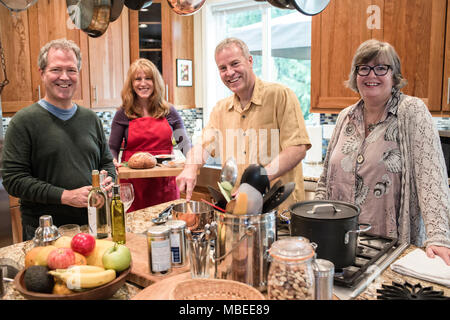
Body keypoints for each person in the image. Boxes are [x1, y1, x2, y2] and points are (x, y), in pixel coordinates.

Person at [315, 39, 450, 265]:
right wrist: (313, 219)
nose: (371, 75)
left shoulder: (412, 111)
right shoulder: (345, 116)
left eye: (381, 68)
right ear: (355, 75)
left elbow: (432, 178)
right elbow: (325, 177)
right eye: (364, 68)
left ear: (394, 75)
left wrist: (439, 236)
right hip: (340, 243)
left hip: (390, 247)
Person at [176, 38, 311, 209]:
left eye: (235, 64)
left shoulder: (280, 96)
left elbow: (297, 149)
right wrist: (190, 167)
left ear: (250, 61)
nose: (230, 72)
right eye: (223, 68)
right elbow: (204, 146)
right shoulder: (221, 109)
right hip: (240, 212)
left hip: (279, 210)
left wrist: (258, 179)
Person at [2, 39, 116, 240]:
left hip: (92, 223)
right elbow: (14, 180)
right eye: (56, 69)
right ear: (42, 73)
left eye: (71, 70)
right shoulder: (23, 121)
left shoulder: (91, 119)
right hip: (46, 231)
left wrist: (108, 183)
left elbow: (106, 162)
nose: (64, 77)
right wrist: (66, 196)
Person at [109, 58, 191, 212]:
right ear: (131, 84)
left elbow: (184, 143)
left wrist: (192, 161)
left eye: (148, 78)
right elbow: (112, 147)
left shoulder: (169, 111)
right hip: (133, 186)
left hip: (164, 183)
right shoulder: (123, 113)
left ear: (156, 82)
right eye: (138, 79)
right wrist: (112, 161)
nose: (143, 83)